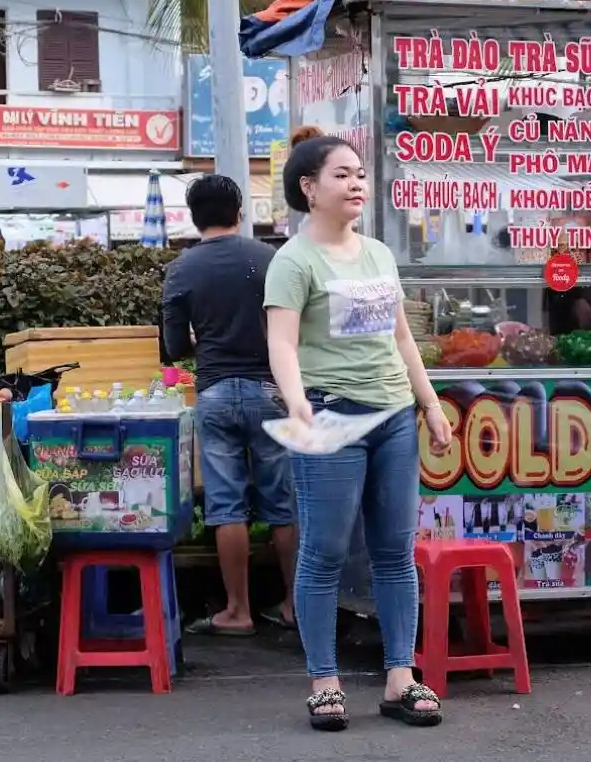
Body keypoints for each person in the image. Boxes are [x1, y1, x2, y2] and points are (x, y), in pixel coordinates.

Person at [264, 127, 454, 731]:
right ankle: (325, 682)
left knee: (395, 551)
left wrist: (429, 405)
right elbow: (282, 342)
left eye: (359, 175)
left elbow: (401, 339)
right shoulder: (293, 261)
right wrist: (297, 404)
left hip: (394, 416)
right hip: (330, 414)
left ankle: (402, 678)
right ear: (308, 188)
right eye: (341, 175)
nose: (355, 184)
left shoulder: (377, 253)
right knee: (323, 552)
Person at [160, 174, 298, 636]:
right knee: (282, 503)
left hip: (216, 392)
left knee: (227, 505)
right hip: (270, 391)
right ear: (240, 213)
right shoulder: (270, 258)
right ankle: (297, 604)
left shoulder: (182, 269)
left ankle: (237, 610)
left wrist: (200, 340)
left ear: (194, 218)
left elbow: (173, 345)